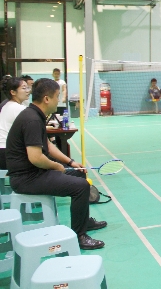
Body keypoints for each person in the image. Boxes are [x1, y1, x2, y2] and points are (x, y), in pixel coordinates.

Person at [6, 78, 107, 250]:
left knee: (80, 172)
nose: (58, 100)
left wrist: (70, 162)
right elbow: (36, 157)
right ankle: (80, 236)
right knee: (81, 186)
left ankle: (85, 221)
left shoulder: (35, 115)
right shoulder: (32, 119)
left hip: (34, 173)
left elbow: (47, 144)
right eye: (57, 96)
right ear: (47, 99)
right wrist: (57, 166)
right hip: (26, 178)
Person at [0, 76, 29, 169]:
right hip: (8, 151)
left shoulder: (6, 105)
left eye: (28, 87)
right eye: (24, 88)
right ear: (13, 92)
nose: (28, 91)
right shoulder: (19, 108)